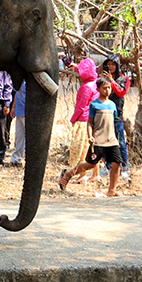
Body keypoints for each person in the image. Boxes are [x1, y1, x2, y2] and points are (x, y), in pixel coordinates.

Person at [61, 77, 122, 196]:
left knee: (117, 163)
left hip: (111, 140)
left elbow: (114, 122)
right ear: (98, 89)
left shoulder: (113, 105)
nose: (107, 90)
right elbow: (89, 122)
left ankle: (112, 190)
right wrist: (90, 136)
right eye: (104, 88)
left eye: (109, 88)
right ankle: (69, 174)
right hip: (98, 139)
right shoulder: (94, 105)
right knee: (91, 164)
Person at [61, 58, 99, 186]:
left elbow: (81, 107)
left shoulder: (86, 87)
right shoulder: (96, 83)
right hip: (92, 120)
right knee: (90, 149)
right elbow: (87, 70)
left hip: (82, 120)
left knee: (78, 149)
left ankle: (81, 175)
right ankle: (93, 175)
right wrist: (77, 67)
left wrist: (73, 119)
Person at [102, 55, 130, 180]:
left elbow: (121, 92)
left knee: (120, 142)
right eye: (108, 64)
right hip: (103, 114)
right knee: (105, 142)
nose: (110, 67)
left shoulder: (123, 79)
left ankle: (124, 168)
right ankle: (109, 167)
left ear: (117, 66)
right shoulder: (103, 78)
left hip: (116, 115)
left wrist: (111, 81)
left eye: (113, 65)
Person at [9, 80, 26, 167]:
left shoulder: (30, 81)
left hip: (28, 112)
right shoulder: (20, 80)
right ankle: (16, 159)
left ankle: (29, 159)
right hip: (19, 111)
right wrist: (13, 108)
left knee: (28, 138)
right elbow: (16, 93)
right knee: (19, 137)